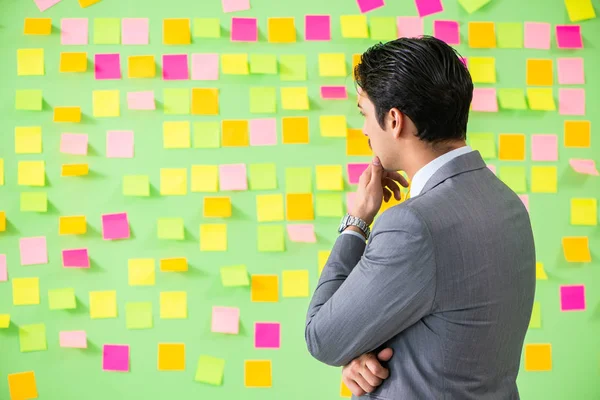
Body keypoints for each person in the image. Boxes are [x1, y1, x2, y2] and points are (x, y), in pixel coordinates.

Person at [305, 36, 536, 399]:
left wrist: (357, 222)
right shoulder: (508, 204)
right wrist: (359, 354)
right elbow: (453, 327)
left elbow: (322, 337)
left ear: (394, 120)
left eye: (364, 113)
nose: (365, 129)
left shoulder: (413, 225)